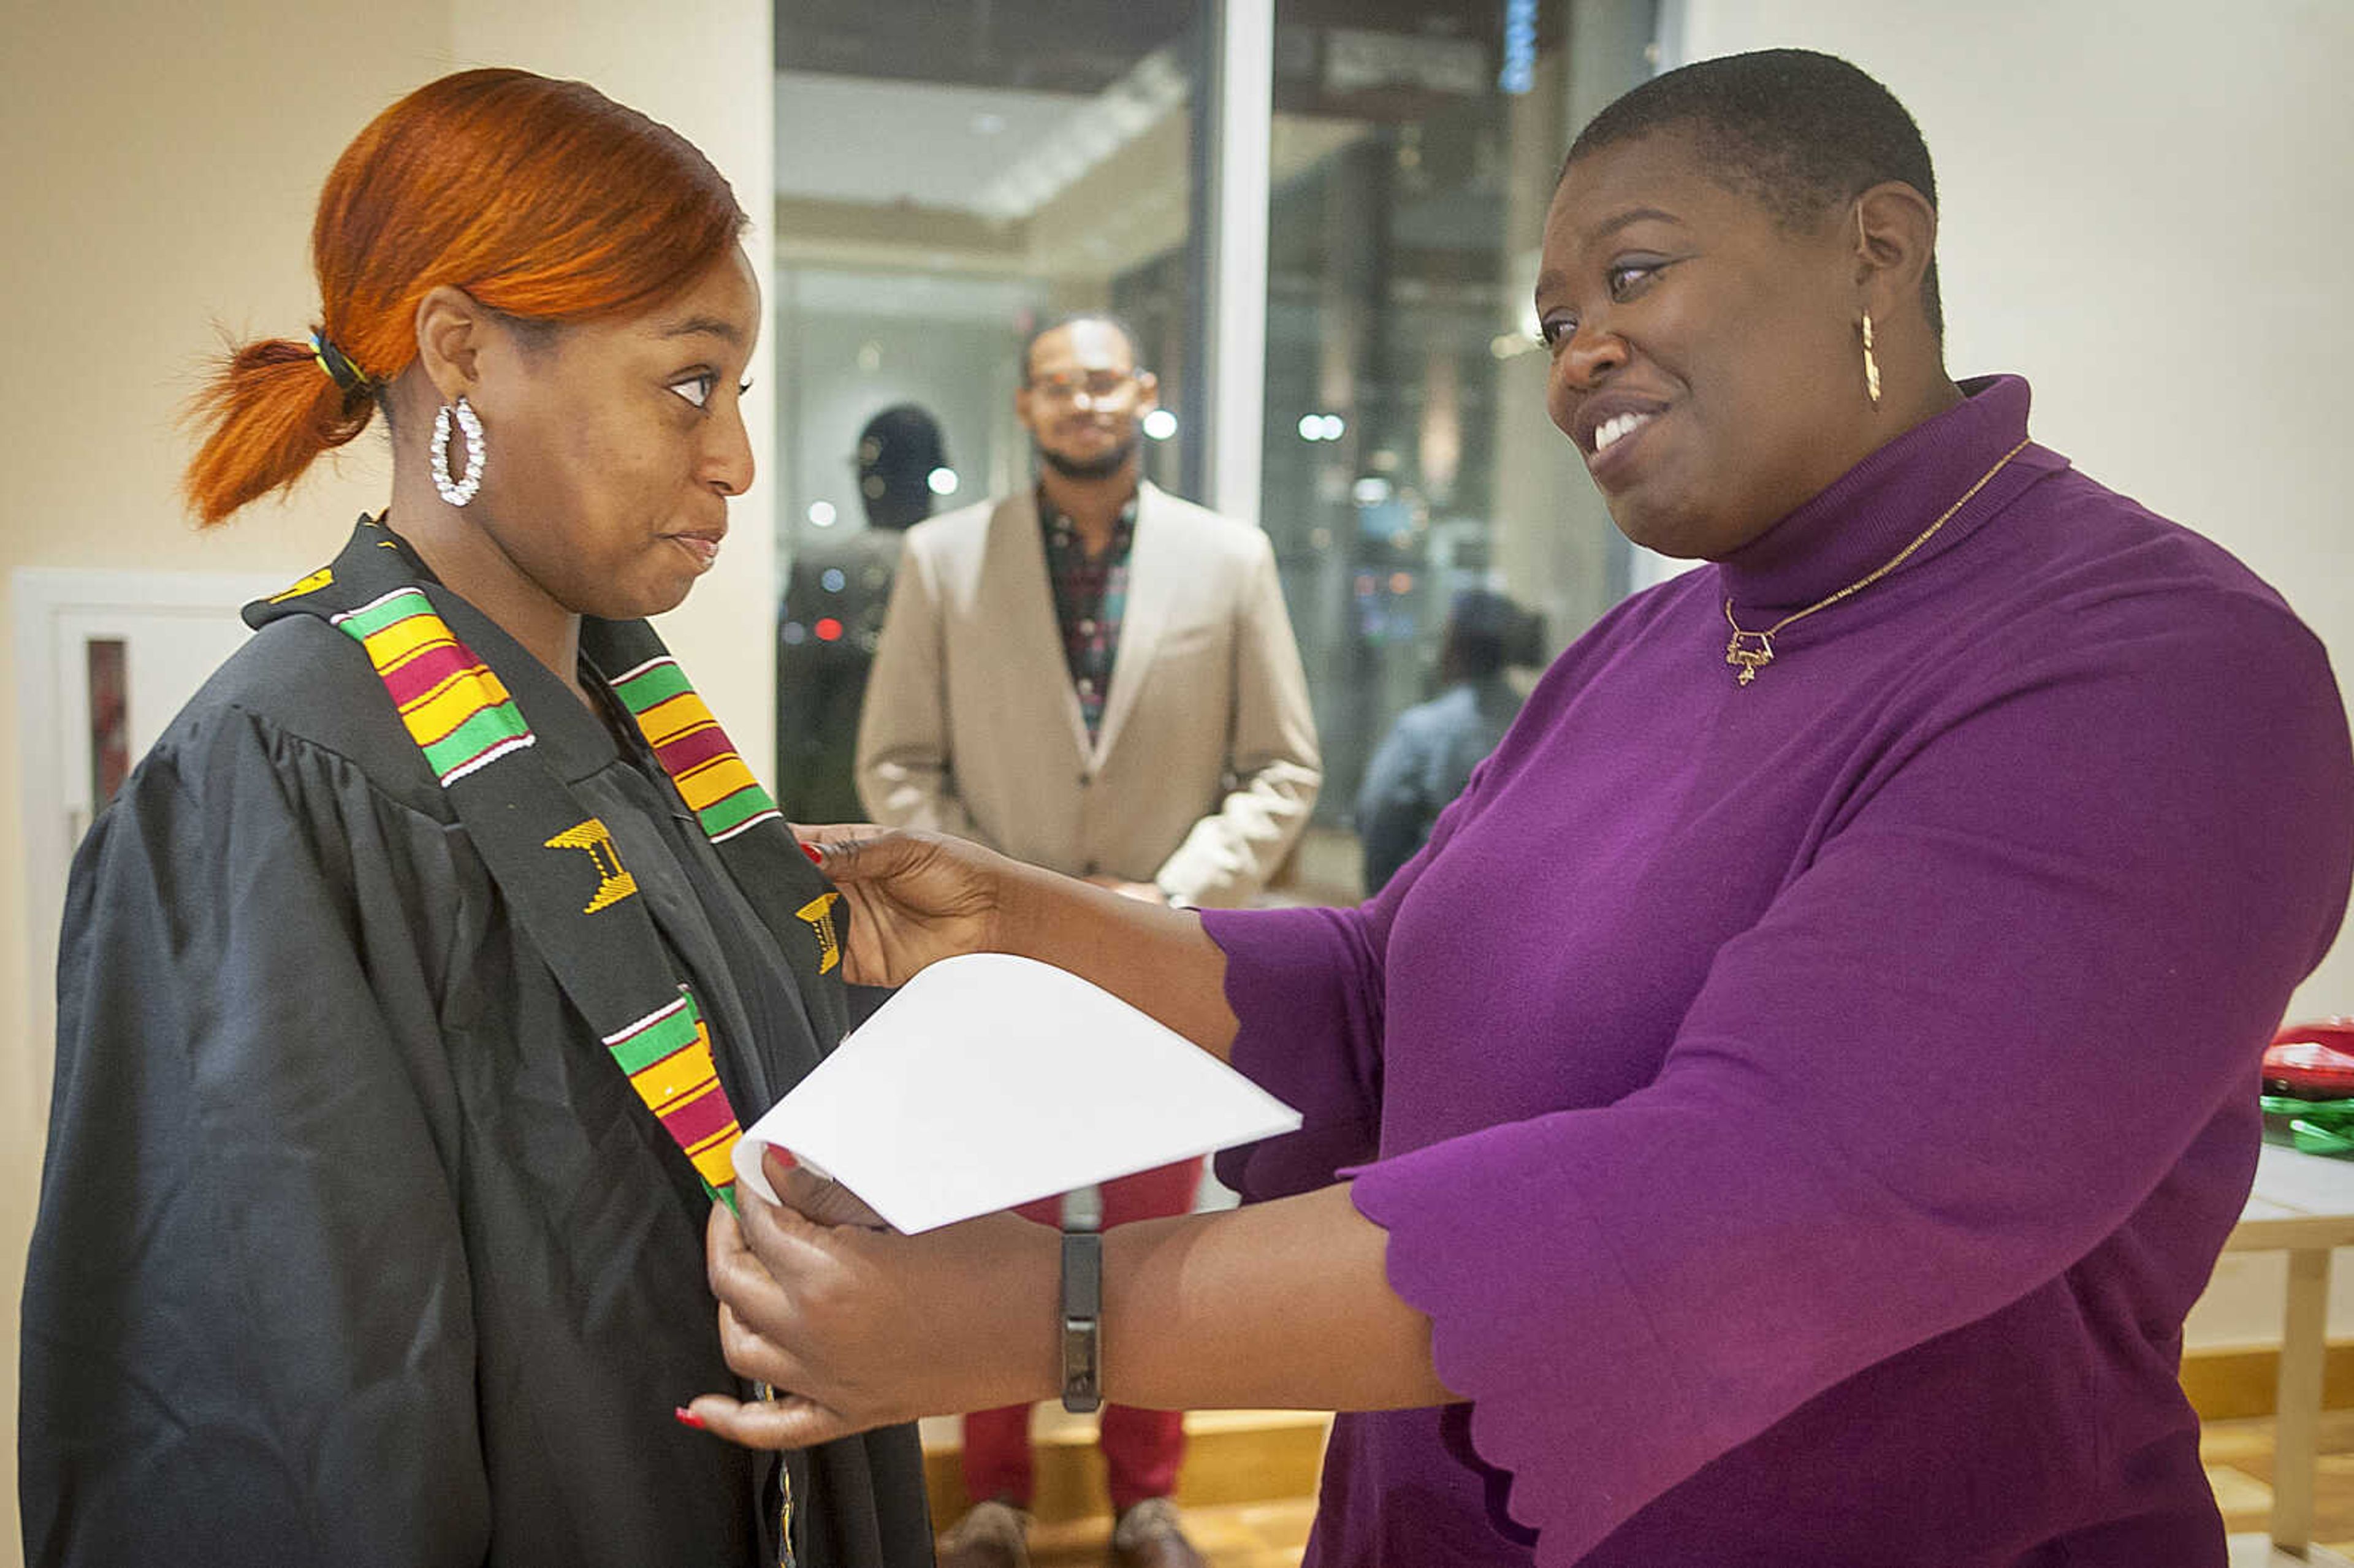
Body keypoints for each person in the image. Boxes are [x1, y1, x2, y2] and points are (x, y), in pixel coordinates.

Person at [687, 48, 2354, 1566]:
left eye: (1633, 275)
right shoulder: (1649, 642)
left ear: (1880, 247)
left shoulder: (2153, 668)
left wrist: (1043, 1316)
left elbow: (1743, 1198)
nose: (1583, 359)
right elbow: (1376, 992)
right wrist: (1025, 920)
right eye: (1557, 321)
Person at [18, 69, 931, 1568]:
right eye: (690, 382)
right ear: (461, 356)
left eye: (740, 394)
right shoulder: (276, 780)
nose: (737, 461)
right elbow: (276, 1412)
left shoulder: (637, 733)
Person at [852, 313, 1322, 1568]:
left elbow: (1282, 766)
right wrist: (992, 895)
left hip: (1158, 968)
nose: (1082, 403)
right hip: (991, 976)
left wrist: (1164, 897)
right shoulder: (945, 561)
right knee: (989, 1240)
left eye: (1102, 381)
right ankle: (997, 1495)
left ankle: (1146, 1499)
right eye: (1058, 385)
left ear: (1144, 395)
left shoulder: (1231, 561)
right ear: (1026, 406)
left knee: (1154, 1248)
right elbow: (896, 761)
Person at [776, 404, 949, 824]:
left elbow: (796, 711)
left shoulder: (823, 568)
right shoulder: (955, 568)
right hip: (932, 805)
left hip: (838, 797)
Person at [1355, 590, 1542, 894]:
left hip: (1426, 906)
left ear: (1456, 646)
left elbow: (1379, 821)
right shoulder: (1543, 720)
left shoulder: (1421, 730)